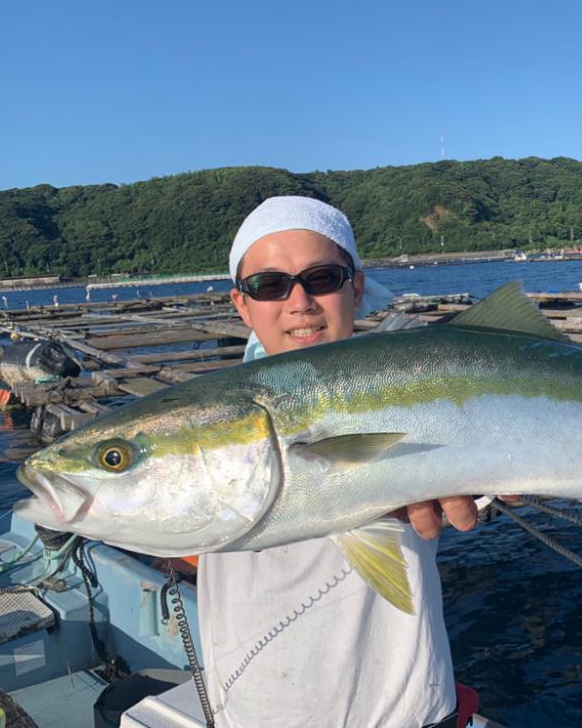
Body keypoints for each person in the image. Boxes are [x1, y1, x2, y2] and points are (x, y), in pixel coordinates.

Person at [197, 196, 479, 727]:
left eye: (321, 278)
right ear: (242, 303)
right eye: (270, 285)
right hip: (254, 713)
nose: (299, 302)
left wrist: (492, 476)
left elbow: (496, 455)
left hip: (407, 709)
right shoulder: (210, 414)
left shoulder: (419, 383)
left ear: (355, 286)